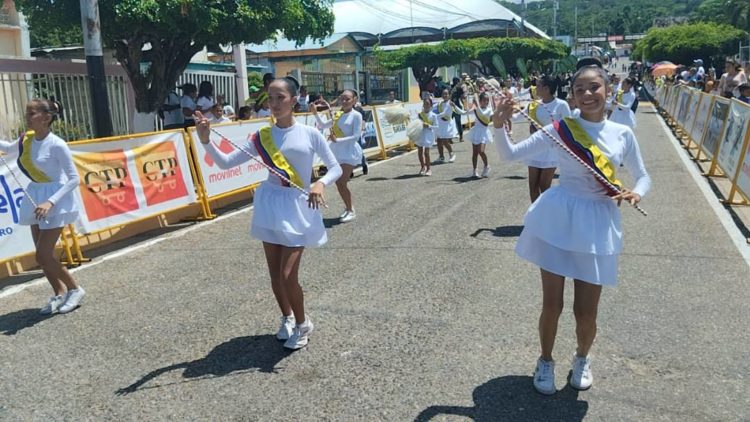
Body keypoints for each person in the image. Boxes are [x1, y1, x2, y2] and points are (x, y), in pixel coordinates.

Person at [491, 63, 651, 395]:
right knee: (552, 304)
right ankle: (545, 360)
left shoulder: (623, 133)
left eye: (594, 87)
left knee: (586, 311)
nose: (588, 94)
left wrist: (637, 192)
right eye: (580, 89)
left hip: (597, 223)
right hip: (560, 219)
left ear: (608, 90)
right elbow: (509, 155)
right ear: (573, 95)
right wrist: (498, 124)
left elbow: (644, 175)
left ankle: (582, 358)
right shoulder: (559, 129)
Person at [195, 77, 342, 350]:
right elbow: (226, 163)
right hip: (271, 204)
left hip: (298, 206)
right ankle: (287, 318)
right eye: (270, 98)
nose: (273, 104)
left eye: (280, 98)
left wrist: (320, 183)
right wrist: (205, 140)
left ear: (294, 100)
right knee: (275, 274)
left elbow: (335, 168)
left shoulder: (309, 134)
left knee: (288, 276)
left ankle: (302, 323)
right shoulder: (262, 137)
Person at [0, 99, 85, 314]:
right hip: (35, 196)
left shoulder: (57, 144)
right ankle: (58, 293)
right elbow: (9, 149)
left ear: (46, 118)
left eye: (31, 113)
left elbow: (74, 179)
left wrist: (50, 201)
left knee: (43, 255)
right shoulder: (27, 138)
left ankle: (75, 289)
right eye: (27, 113)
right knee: (42, 255)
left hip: (54, 201)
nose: (27, 117)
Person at [312, 89, 363, 223]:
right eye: (342, 98)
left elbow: (356, 136)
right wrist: (315, 113)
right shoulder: (338, 114)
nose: (344, 101)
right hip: (336, 152)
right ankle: (348, 208)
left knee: (341, 182)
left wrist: (338, 140)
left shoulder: (356, 115)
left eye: (348, 99)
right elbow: (323, 125)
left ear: (354, 100)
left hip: (349, 153)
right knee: (339, 183)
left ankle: (351, 210)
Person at [524, 75, 572, 203]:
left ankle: (548, 215)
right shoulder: (534, 105)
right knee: (533, 186)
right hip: (535, 148)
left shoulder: (561, 105)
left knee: (544, 186)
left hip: (552, 150)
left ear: (546, 88)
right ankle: (537, 216)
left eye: (538, 85)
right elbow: (518, 115)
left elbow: (569, 127)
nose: (535, 88)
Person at [467, 92, 493, 178]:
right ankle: (475, 170)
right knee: (474, 153)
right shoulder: (476, 108)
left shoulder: (489, 109)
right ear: (481, 100)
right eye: (484, 100)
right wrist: (454, 107)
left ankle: (486, 166)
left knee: (481, 151)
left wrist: (477, 104)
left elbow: (482, 114)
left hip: (484, 132)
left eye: (487, 100)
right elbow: (464, 112)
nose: (486, 102)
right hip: (476, 132)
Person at [435, 89, 462, 163]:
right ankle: (441, 157)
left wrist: (435, 116)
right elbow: (433, 108)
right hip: (440, 124)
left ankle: (451, 154)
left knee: (445, 141)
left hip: (446, 124)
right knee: (439, 141)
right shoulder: (439, 103)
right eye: (443, 94)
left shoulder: (450, 103)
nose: (445, 95)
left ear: (449, 95)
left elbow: (444, 113)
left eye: (446, 94)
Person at [415, 98, 438, 176]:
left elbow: (436, 126)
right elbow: (416, 123)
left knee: (426, 153)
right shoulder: (419, 115)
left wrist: (428, 125)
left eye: (428, 104)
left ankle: (429, 169)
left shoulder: (433, 115)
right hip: (420, 134)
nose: (426, 105)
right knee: (420, 152)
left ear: (431, 105)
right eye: (425, 104)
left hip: (428, 135)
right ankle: (422, 167)